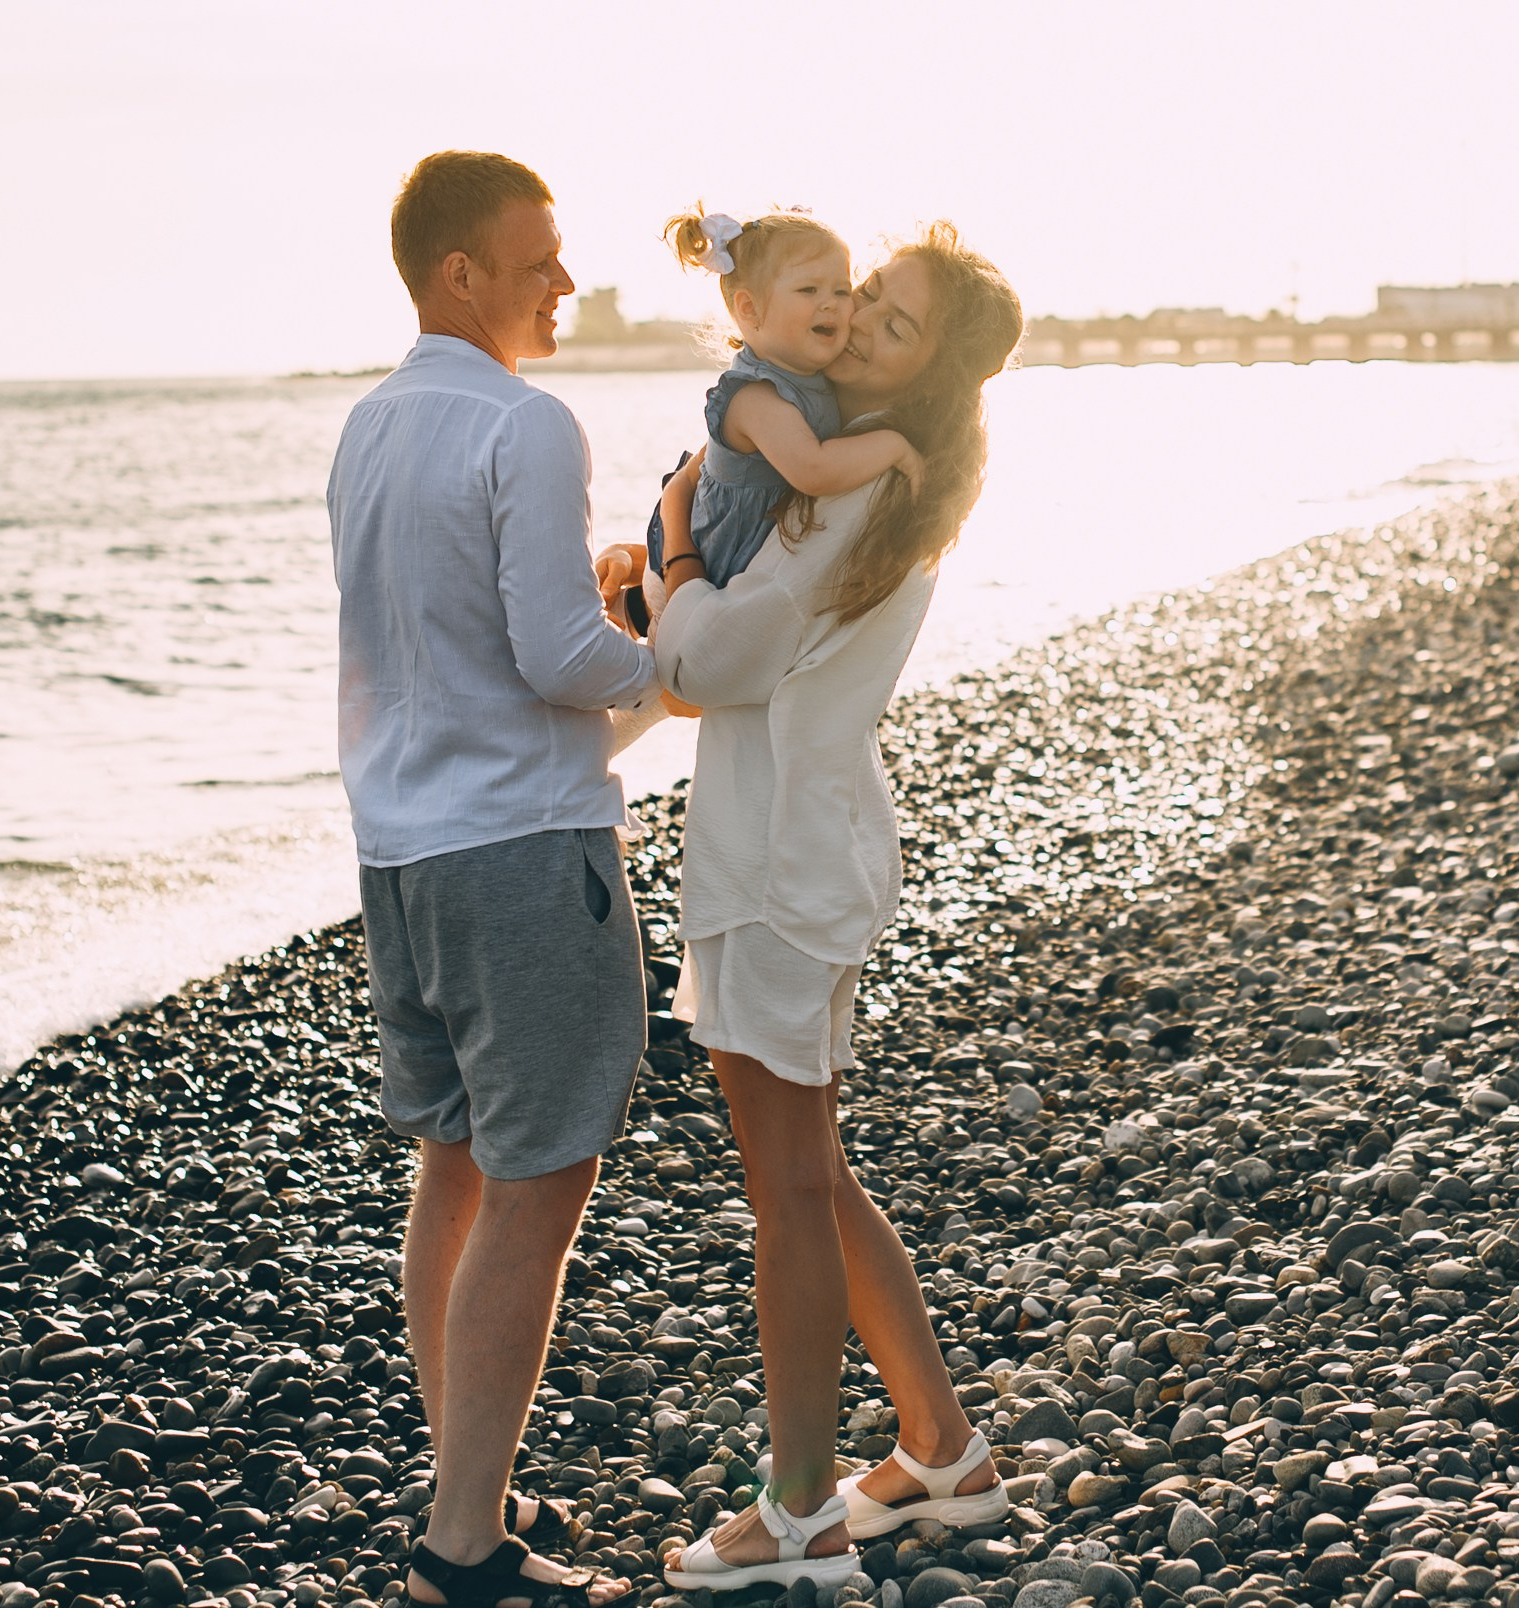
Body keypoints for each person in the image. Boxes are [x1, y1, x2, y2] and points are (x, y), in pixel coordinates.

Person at [629, 224, 1027, 1592]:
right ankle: (941, 1450)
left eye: (892, 325)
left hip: (778, 863)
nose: (855, 323)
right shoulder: (865, 473)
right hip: (806, 846)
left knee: (789, 1187)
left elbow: (713, 661)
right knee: (810, 1169)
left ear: (928, 378)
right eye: (866, 299)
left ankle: (798, 1512)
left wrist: (672, 547)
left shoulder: (844, 493)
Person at [325, 150, 656, 1608]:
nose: (565, 282)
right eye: (539, 260)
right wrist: (675, 656)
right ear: (459, 274)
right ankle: (464, 1549)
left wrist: (597, 615)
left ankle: (468, 1481)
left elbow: (439, 639)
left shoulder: (367, 426)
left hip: (399, 851)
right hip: (521, 851)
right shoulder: (525, 422)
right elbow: (557, 660)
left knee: (455, 1164)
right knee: (533, 1189)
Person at [636, 208, 924, 608]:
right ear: (750, 309)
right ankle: (633, 608)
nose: (831, 304)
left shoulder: (809, 378)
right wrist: (895, 447)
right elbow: (814, 470)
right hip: (695, 570)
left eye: (842, 291)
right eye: (809, 290)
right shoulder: (755, 397)